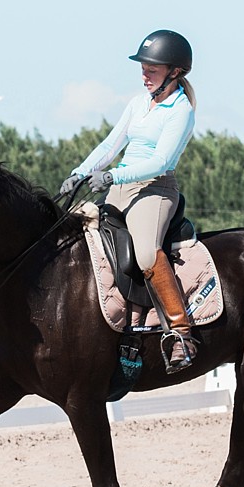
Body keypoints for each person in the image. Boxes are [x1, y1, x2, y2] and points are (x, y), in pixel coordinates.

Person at [60, 29, 199, 373]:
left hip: (154, 189)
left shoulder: (180, 110)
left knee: (147, 253)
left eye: (152, 69)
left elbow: (161, 161)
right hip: (119, 185)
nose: (144, 74)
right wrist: (80, 172)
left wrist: (112, 177)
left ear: (175, 72)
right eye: (143, 67)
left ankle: (181, 332)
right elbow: (110, 145)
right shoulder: (138, 103)